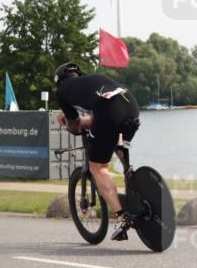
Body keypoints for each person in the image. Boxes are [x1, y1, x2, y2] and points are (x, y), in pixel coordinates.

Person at [54, 62, 140, 240]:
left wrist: (63, 121)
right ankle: (133, 179)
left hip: (109, 111)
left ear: (59, 81)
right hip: (131, 105)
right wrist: (88, 121)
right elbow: (100, 113)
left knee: (98, 168)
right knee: (117, 146)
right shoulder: (93, 80)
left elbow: (75, 127)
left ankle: (122, 217)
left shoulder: (62, 92)